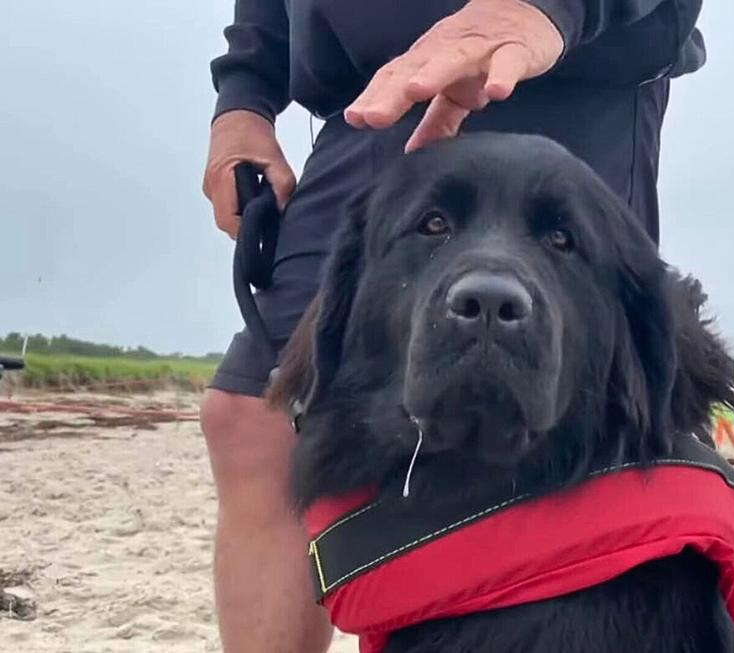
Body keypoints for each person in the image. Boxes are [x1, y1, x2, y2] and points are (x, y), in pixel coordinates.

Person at [201, 1, 707, 651]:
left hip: (562, 68)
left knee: (557, 439)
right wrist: (244, 98)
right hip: (365, 101)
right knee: (256, 414)